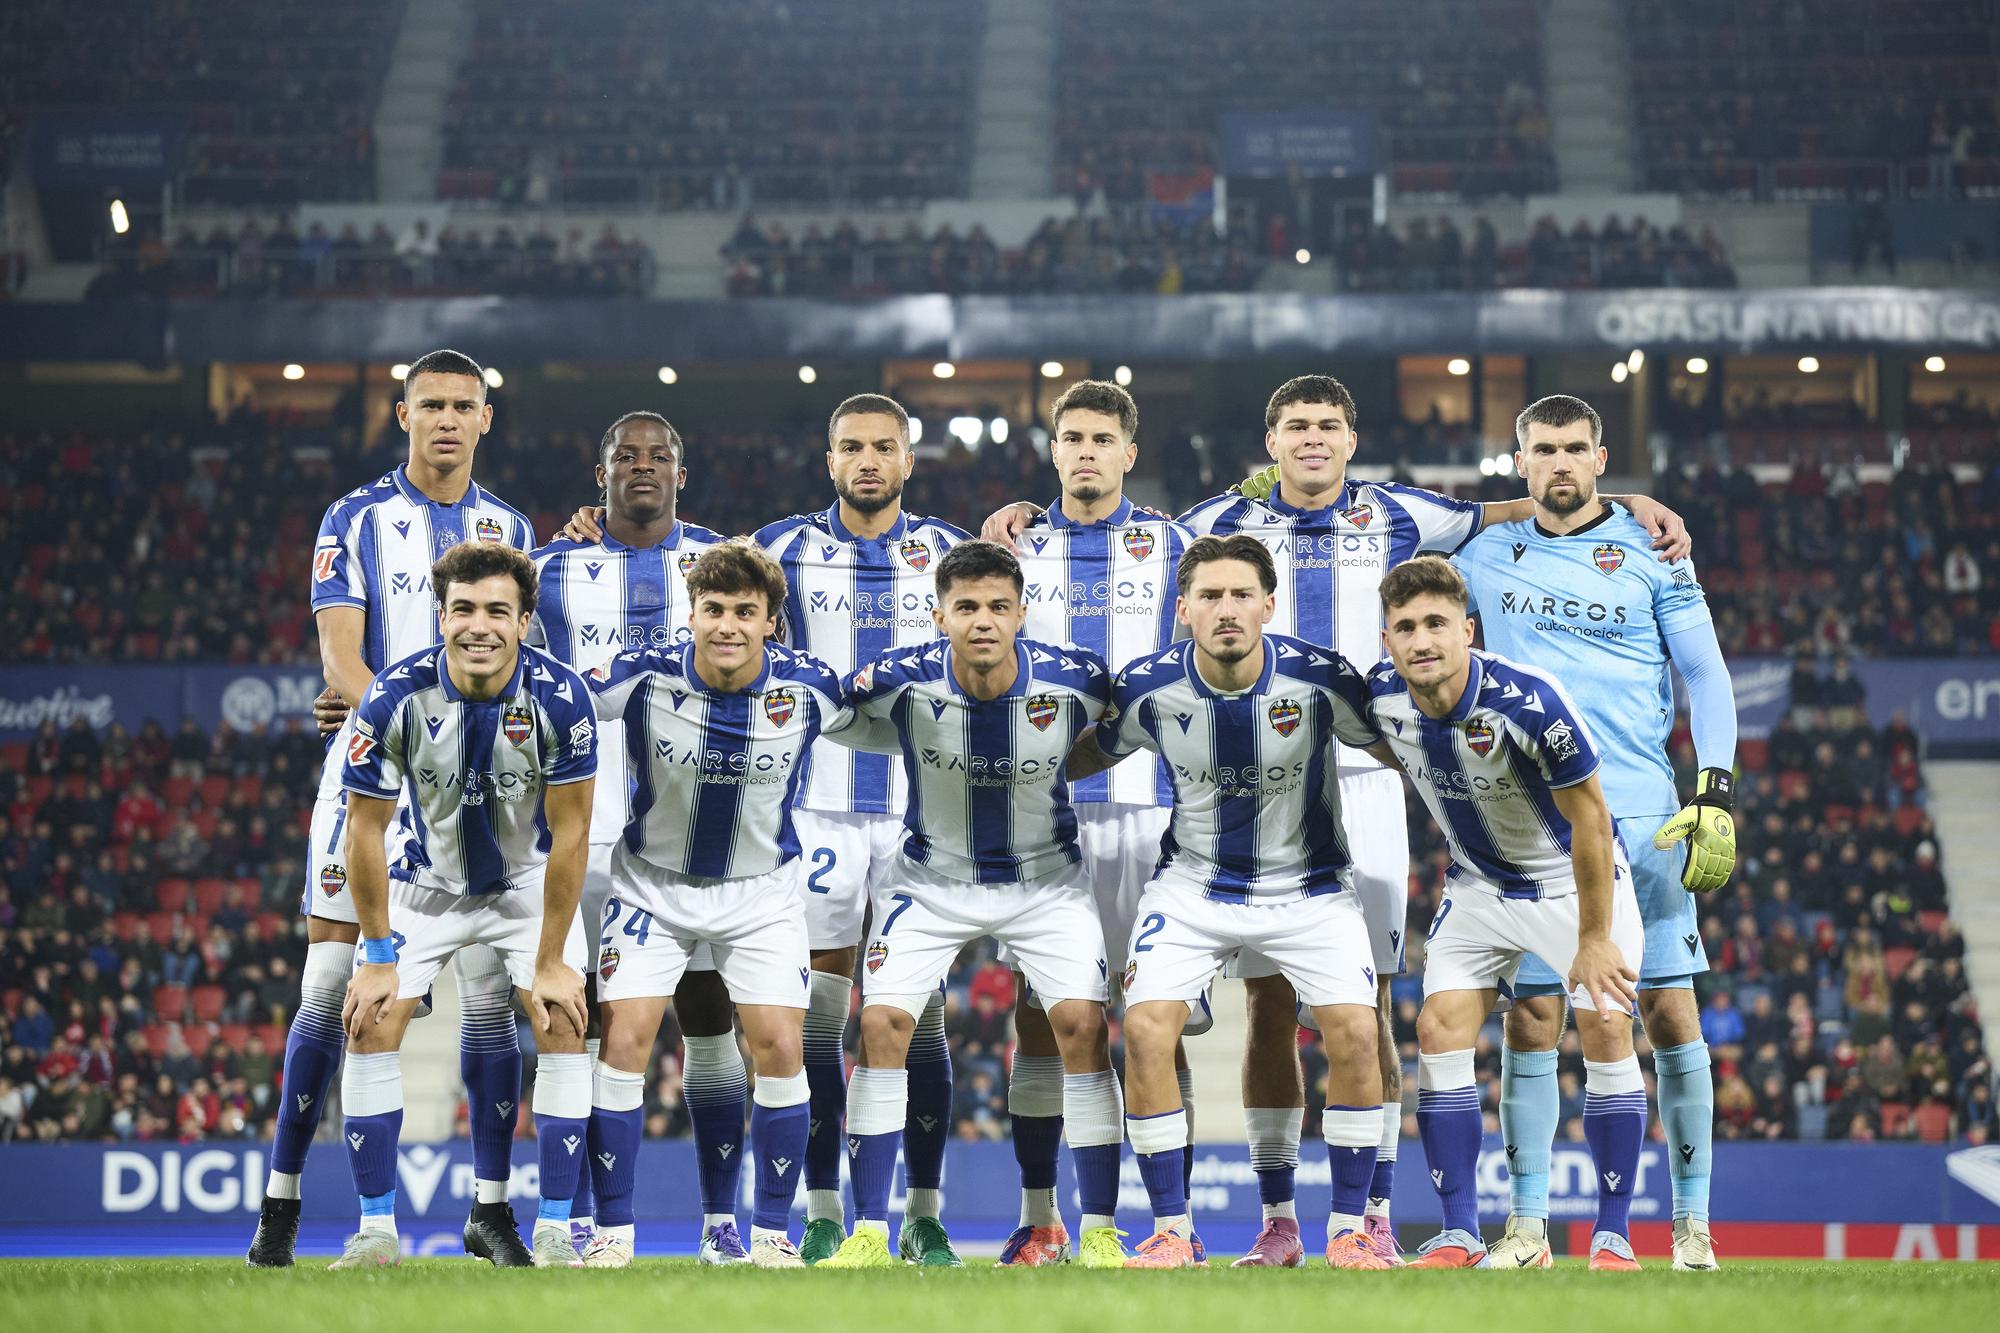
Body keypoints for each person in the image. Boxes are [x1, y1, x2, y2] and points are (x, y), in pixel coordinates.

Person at [986, 375, 1688, 1263]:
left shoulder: (1399, 513)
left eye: (1328, 425)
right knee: (1268, 1006)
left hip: (1368, 770)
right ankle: (1277, 1220)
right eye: (1295, 426)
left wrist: (1622, 497)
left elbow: (1516, 504)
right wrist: (1022, 512)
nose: (1312, 439)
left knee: (1369, 1007)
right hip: (1253, 782)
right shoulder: (1213, 528)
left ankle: (1376, 1218)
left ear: (1350, 439)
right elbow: (1111, 526)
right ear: (1270, 441)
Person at [560, 393, 970, 1264]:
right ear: (830, 459)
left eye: (884, 447)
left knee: (913, 1014)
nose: (868, 459)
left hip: (911, 814)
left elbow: (994, 616)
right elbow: (707, 570)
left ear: (908, 457)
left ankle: (918, 1213)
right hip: (804, 808)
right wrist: (602, 524)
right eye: (851, 445)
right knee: (811, 1024)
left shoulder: (946, 551)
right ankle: (816, 1211)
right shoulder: (775, 546)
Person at [250, 348, 537, 1269]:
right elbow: (342, 662)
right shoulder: (355, 517)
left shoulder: (512, 525)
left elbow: (526, 653)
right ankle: (284, 1202)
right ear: (401, 414)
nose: (447, 418)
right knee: (329, 992)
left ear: (486, 417)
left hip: (486, 787)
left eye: (464, 404)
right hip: (374, 779)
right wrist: (413, 746)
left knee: (492, 997)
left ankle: (490, 1212)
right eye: (431, 405)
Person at [1452, 395, 1736, 1272]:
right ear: (1520, 459)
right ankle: (1528, 1228)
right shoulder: (1479, 549)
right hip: (1532, 830)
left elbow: (1705, 672)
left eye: (1576, 447)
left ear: (1603, 456)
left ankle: (1691, 1224)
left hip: (1645, 817)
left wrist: (1714, 791)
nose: (1561, 463)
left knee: (1666, 1008)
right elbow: (1362, 526)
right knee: (1535, 1016)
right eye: (1544, 450)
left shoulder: (1654, 553)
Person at [1069, 534, 1390, 1270]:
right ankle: (1172, 1230)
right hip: (1191, 887)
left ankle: (1342, 1229)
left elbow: (1392, 747)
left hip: (1310, 886)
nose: (1226, 609)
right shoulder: (1148, 686)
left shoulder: (1322, 679)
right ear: (1182, 609)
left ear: (1269, 605)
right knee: (1147, 1029)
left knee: (1353, 1029)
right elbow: (1093, 749)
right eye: (1209, 595)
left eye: (1242, 593)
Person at [812, 541, 1121, 1268]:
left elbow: (1128, 724)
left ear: (1021, 612)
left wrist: (1077, 762)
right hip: (929, 880)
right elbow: (820, 704)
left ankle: (1094, 1226)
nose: (983, 621)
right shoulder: (898, 679)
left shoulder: (1074, 678)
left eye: (997, 607)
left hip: (1045, 880)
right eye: (967, 607)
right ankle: (868, 1231)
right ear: (939, 613)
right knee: (884, 1022)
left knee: (1080, 1022)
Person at [579, 541, 860, 1268]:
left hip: (760, 893)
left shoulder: (810, 686)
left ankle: (768, 1234)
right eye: (713, 610)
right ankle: (612, 1234)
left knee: (780, 1049)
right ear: (692, 613)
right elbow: (554, 699)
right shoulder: (642, 674)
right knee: (623, 1045)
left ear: (772, 620)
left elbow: (897, 717)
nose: (727, 625)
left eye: (744, 611)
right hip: (651, 885)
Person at [1362, 556, 1646, 1270]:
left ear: (1469, 628)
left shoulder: (1529, 701)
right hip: (1480, 885)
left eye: (1436, 623)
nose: (1421, 639)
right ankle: (1459, 1231)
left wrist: (1591, 936)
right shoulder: (1380, 698)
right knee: (1435, 1026)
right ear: (1387, 637)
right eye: (1405, 627)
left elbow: (1591, 817)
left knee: (1607, 1025)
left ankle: (1613, 1236)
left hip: (1569, 881)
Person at [327, 541, 597, 1270]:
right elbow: (365, 829)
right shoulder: (394, 694)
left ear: (525, 619)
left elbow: (573, 832)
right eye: (465, 610)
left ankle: (556, 1230)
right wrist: (379, 954)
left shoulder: (562, 696)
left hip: (523, 887)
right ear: (440, 616)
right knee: (369, 1019)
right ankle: (377, 1232)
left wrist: (548, 961)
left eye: (498, 611)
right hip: (423, 887)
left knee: (566, 1018)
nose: (481, 626)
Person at [1000, 380, 1194, 1267]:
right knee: (1043, 1019)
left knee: (1157, 1019)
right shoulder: (1009, 548)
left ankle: (1166, 1224)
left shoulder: (1176, 544)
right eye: (1071, 436)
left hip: (1155, 811)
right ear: (1053, 449)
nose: (1085, 450)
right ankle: (1045, 1220)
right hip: (1042, 817)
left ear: (1128, 449)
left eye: (1101, 437)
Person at [528, 412, 729, 1257]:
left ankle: (722, 1223)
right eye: (626, 456)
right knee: (577, 1022)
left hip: (693, 838)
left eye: (660, 457)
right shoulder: (547, 570)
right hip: (576, 832)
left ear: (682, 474)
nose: (642, 467)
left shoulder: (723, 566)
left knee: (709, 1018)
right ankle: (580, 1221)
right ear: (599, 470)